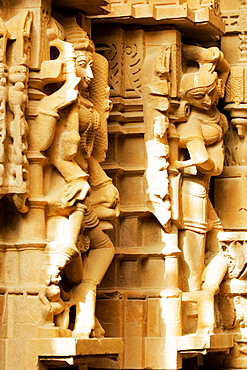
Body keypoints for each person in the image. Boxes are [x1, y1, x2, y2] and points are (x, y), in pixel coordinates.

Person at [39, 17, 119, 338]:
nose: (89, 75)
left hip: (81, 183)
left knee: (100, 248)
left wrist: (102, 183)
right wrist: (82, 180)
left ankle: (83, 303)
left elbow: (88, 154)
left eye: (89, 67)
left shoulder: (84, 104)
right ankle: (62, 290)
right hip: (64, 184)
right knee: (72, 255)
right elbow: (56, 152)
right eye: (81, 66)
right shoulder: (63, 102)